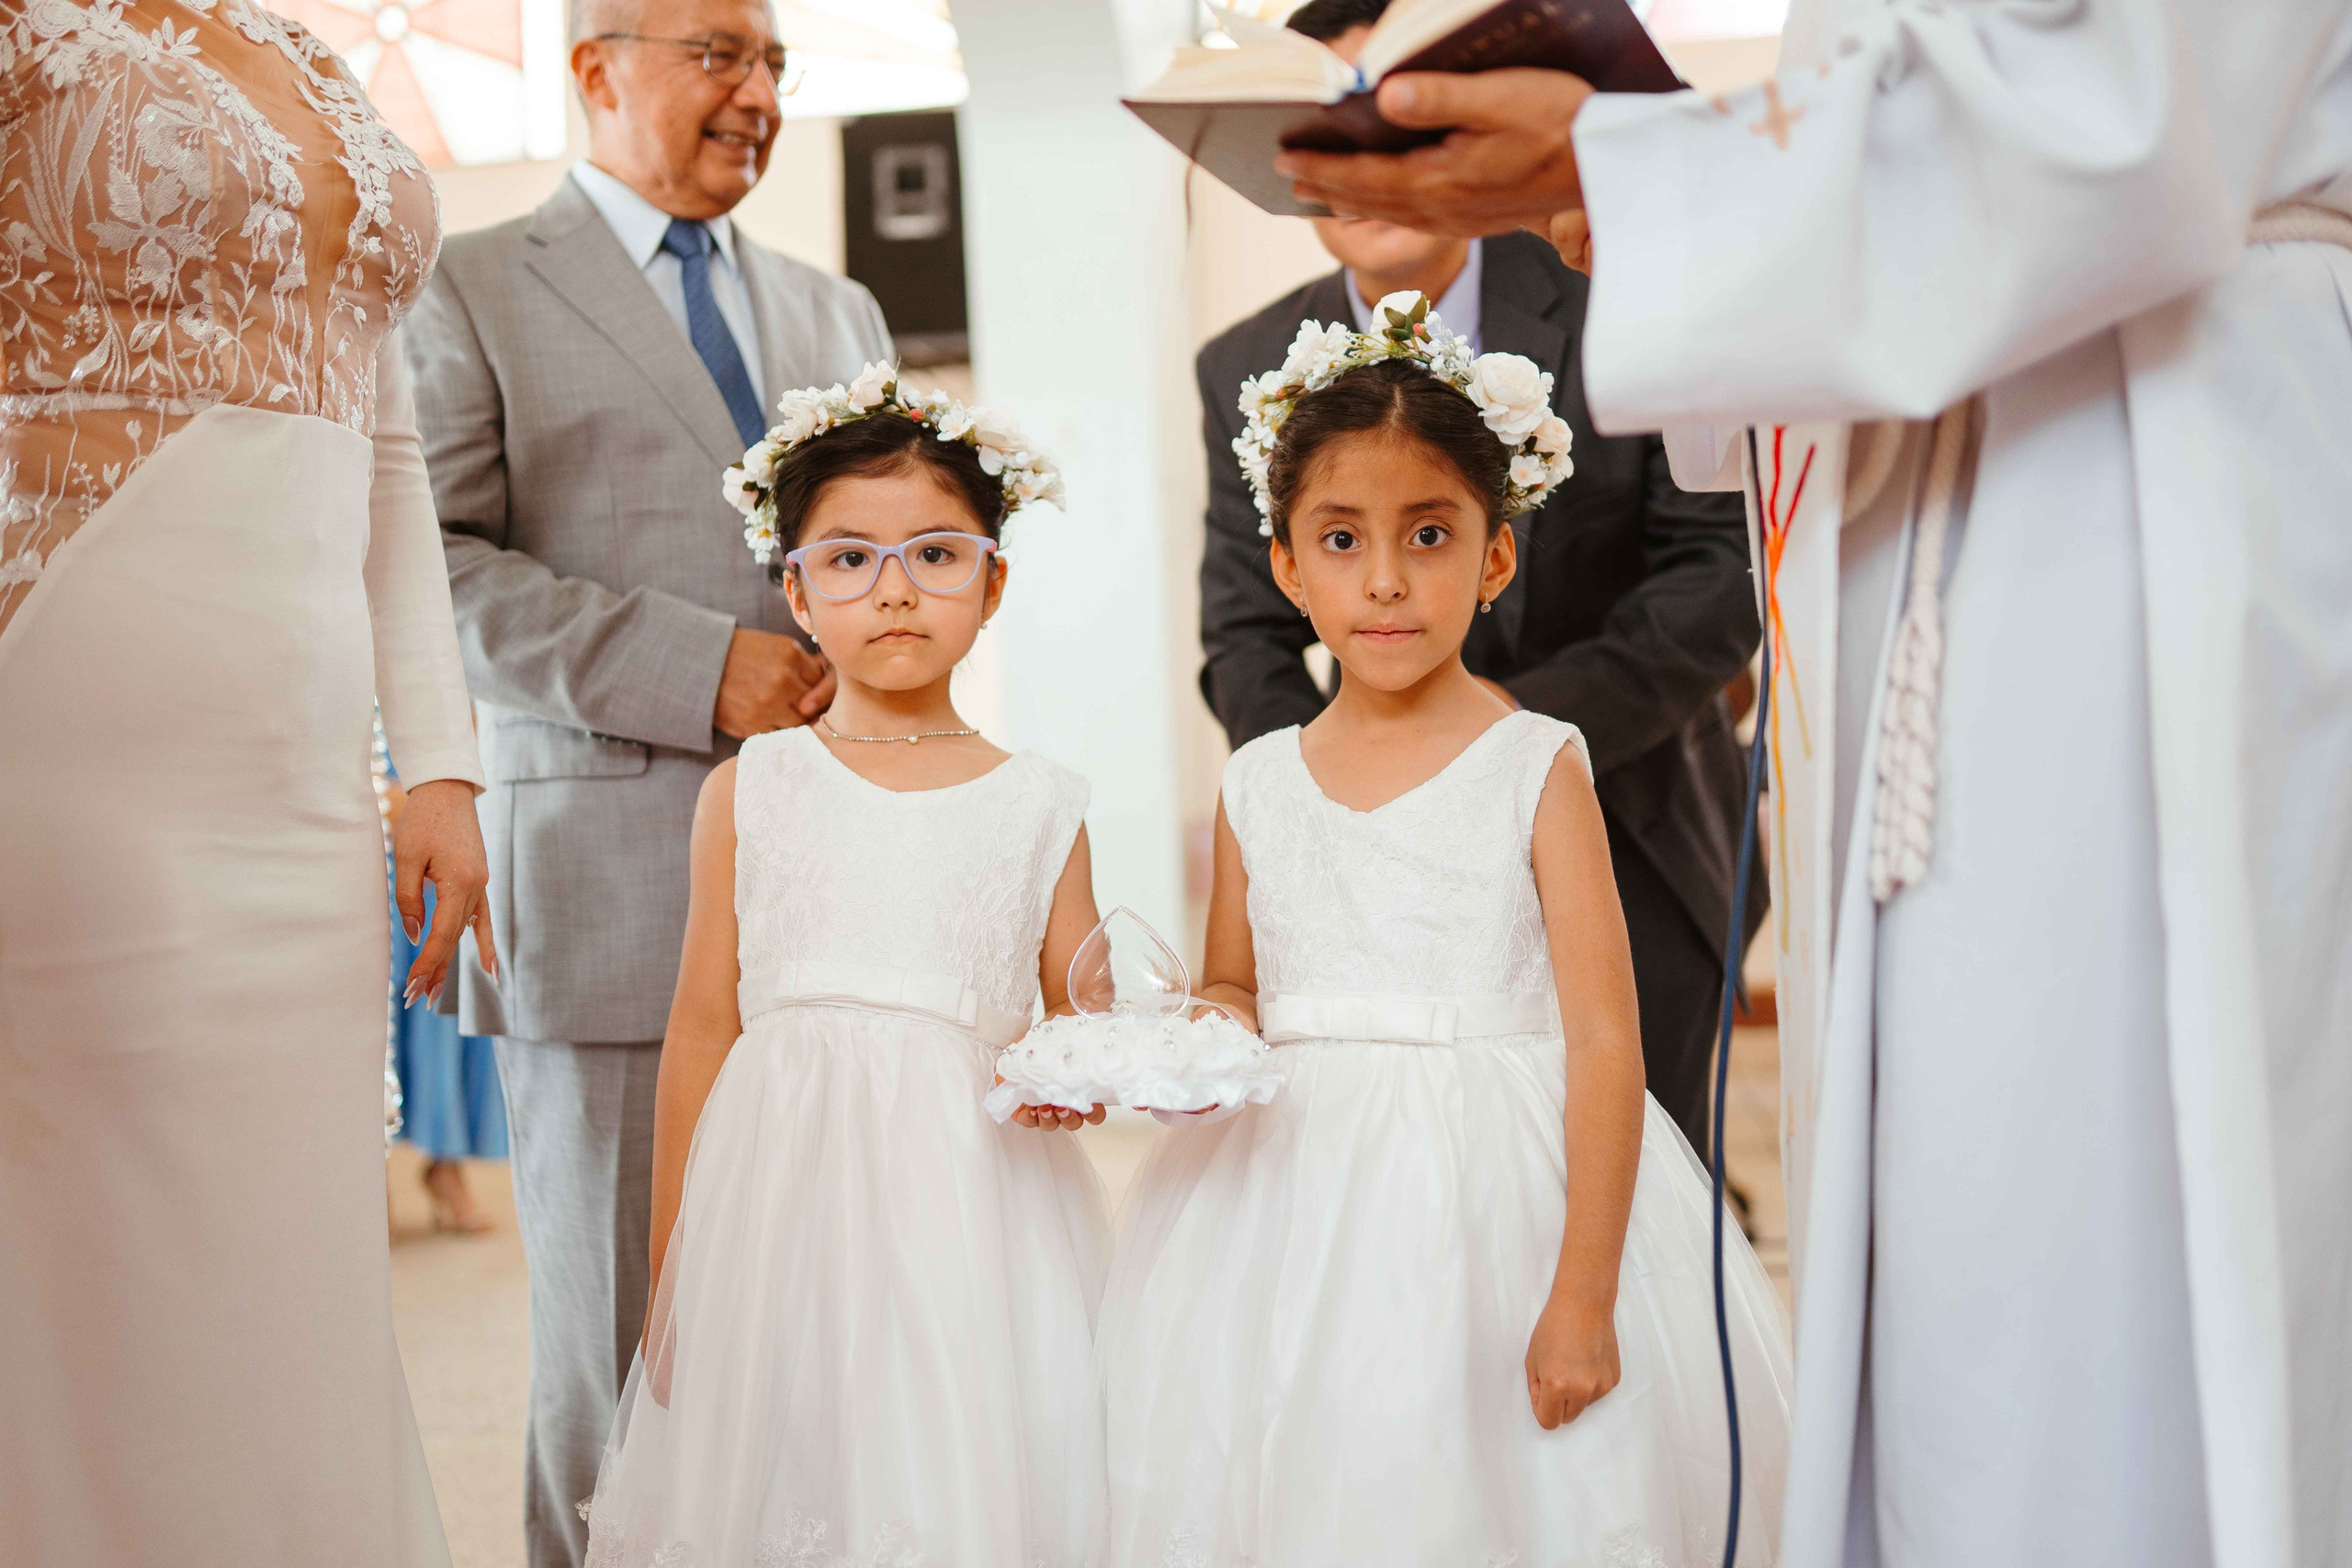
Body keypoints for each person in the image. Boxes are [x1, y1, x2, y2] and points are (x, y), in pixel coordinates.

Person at [1272, 8, 2352, 1568]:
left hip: (2134, 463)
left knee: (2090, 1199)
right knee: (1943, 1210)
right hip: (1957, 460)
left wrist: (1635, 168)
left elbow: (2125, 119)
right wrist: (1634, 177)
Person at [1100, 298, 1792, 1566]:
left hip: (1504, 1201)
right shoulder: (1259, 780)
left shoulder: (1538, 761)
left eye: (1428, 535)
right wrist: (1175, 1043)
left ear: (1494, 558)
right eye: (1341, 538)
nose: (1383, 579)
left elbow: (1602, 1037)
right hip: (1290, 1213)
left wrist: (1582, 1292)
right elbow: (1234, 986)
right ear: (1287, 563)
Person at [0, 4, 492, 1564]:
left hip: (296, 758)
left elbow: (392, 444)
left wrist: (442, 761)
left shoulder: (312, 51)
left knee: (286, 1232)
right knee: (103, 1222)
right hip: (74, 680)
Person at [404, 3, 890, 1561]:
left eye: (772, 66)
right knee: (628, 1356)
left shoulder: (838, 311)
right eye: (718, 57)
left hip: (843, 899)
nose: (756, 94)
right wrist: (694, 668)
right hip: (613, 894)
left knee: (827, 1336)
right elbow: (433, 574)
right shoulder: (470, 286)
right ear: (596, 67)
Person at [1197, 0, 1762, 1162]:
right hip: (1357, 895)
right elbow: (1243, 627)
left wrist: (1496, 736)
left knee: (1626, 1181)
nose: (1359, 163)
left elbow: (1715, 578)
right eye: (1324, 128)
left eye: (1382, 122)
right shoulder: (1239, 364)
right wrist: (1330, 801)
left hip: (1629, 817)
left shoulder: (1614, 290)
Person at [578, 369, 1109, 1566]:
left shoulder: (1041, 802)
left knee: (949, 1456)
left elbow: (1088, 1001)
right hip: (782, 1203)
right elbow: (702, 1031)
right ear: (797, 592)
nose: (895, 588)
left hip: (968, 1203)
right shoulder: (750, 787)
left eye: (935, 552)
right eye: (850, 558)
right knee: (793, 1452)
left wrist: (1079, 1052)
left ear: (994, 580)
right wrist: (671, 1273)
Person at [382, 764, 510, 1235]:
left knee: (441, 1009)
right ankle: (370, 1180)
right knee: (376, 1017)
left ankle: (446, 1163)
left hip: (440, 803)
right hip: (368, 832)